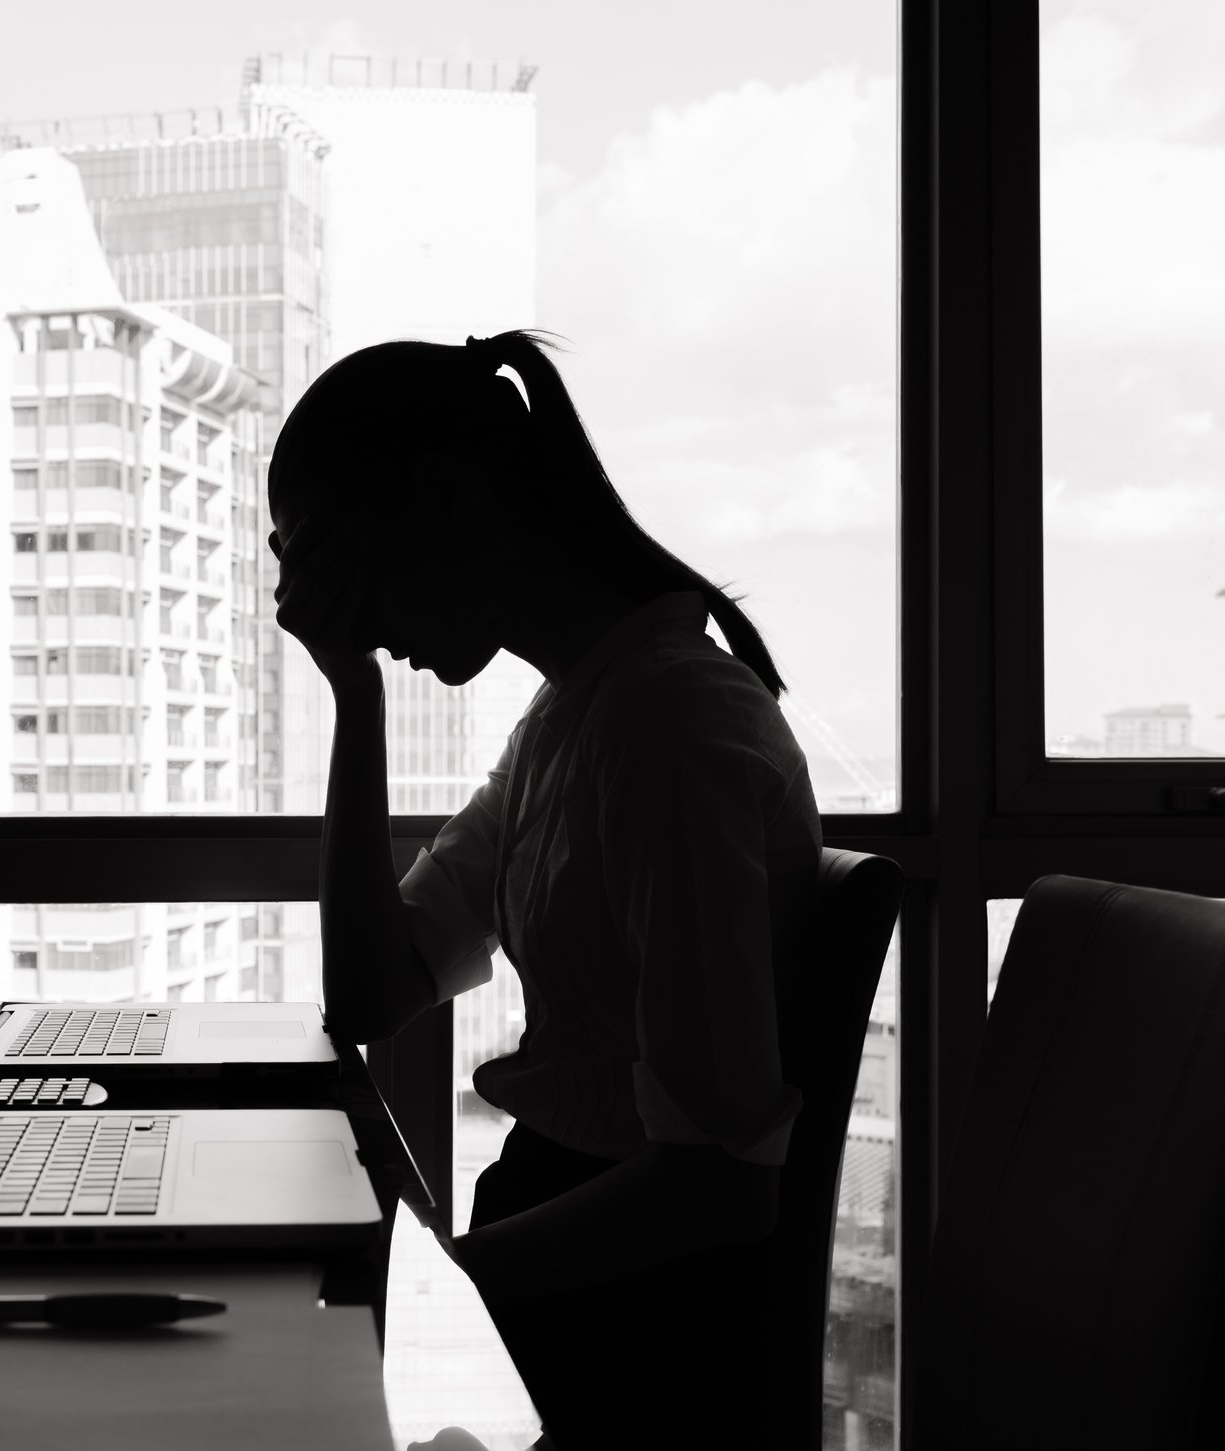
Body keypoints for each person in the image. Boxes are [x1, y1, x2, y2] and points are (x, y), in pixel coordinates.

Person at [268, 330, 823, 1449]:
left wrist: (435, 1291)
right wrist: (352, 697)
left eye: (335, 562)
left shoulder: (666, 728)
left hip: (621, 1340)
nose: (348, 614)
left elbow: (717, 1184)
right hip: (570, 1295)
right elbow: (373, 991)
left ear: (445, 498)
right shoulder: (576, 719)